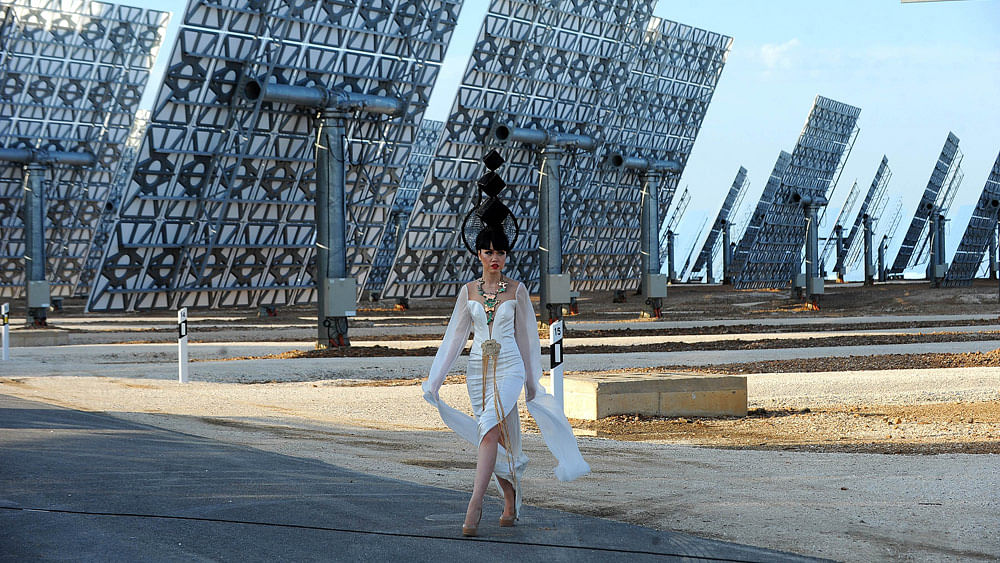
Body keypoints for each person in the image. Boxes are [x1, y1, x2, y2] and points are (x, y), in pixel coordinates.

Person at [422, 226, 590, 537]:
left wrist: (530, 380)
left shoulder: (517, 290)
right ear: (479, 255)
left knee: (487, 428)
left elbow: (527, 339)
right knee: (498, 439)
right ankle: (510, 498)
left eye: (500, 252)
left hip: (510, 367)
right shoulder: (468, 291)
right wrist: (436, 380)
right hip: (477, 372)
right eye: (488, 252)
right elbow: (455, 338)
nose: (494, 257)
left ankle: (475, 503)